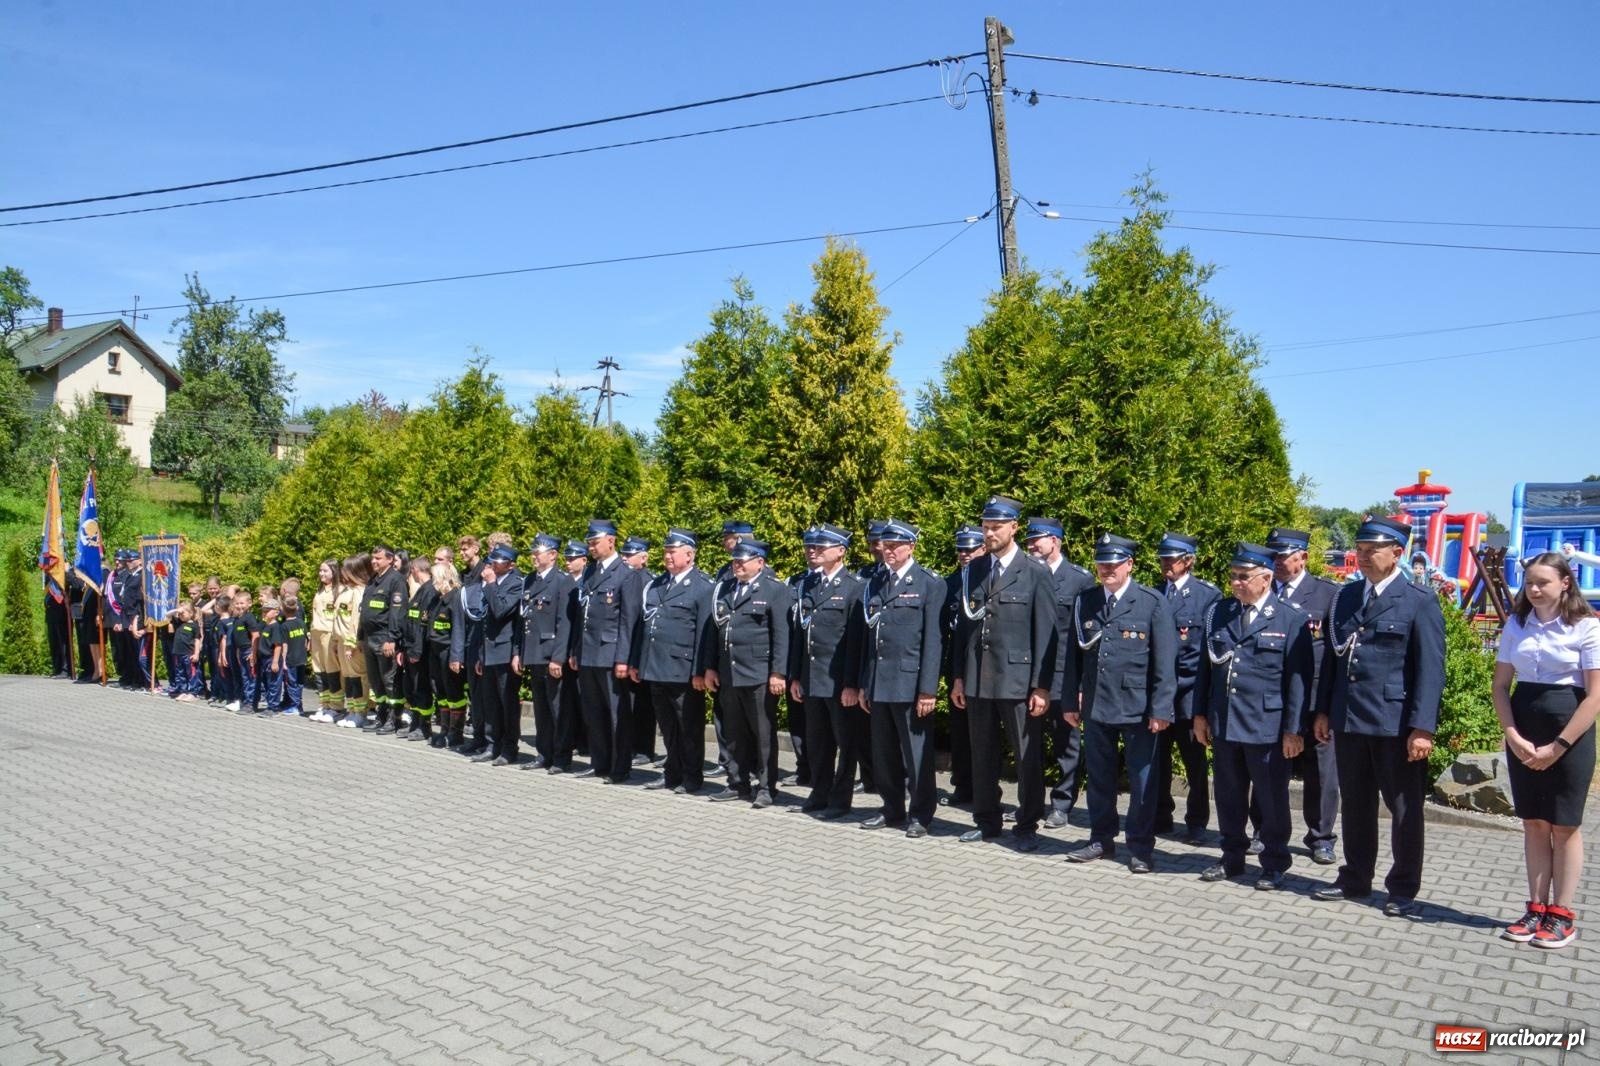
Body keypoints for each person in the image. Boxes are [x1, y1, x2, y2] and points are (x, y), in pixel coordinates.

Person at [1312, 515, 1445, 917]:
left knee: (1404, 809)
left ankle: (1402, 888)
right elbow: (1333, 661)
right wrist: (1322, 710)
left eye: (1372, 551)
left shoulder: (1419, 600)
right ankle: (1355, 878)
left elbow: (1430, 670)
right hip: (1350, 719)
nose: (1363, 557)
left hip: (1395, 723)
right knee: (1355, 804)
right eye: (1360, 550)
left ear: (1398, 553)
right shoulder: (1346, 597)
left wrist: (1422, 727)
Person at [1493, 552, 1599, 949]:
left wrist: (1559, 745)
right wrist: (1512, 734)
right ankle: (1536, 908)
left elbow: (1594, 696)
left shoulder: (1586, 627)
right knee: (1534, 821)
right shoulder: (1516, 624)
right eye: (1529, 583)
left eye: (1543, 583)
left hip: (1569, 733)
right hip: (1524, 730)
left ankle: (1562, 915)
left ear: (1565, 583)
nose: (1534, 590)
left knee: (1564, 824)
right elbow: (1501, 685)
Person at [1193, 544, 1314, 890]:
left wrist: (1294, 730)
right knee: (1229, 795)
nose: (1235, 583)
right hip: (1226, 721)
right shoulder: (1219, 613)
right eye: (1232, 576)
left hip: (1267, 727)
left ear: (1266, 578)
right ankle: (1231, 857)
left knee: (1272, 798)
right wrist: (1200, 715)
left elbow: (1298, 681)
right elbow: (1207, 669)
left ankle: (1275, 862)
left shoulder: (1290, 618)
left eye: (1243, 577)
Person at [1064, 533, 1177, 873]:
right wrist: (1070, 700)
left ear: (1129, 565)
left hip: (1138, 707)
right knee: (1099, 776)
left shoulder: (1151, 602)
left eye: (1113, 564)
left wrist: (1161, 708)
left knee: (1143, 779)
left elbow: (1164, 660)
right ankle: (1101, 838)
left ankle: (1141, 846)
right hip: (1097, 703)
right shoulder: (1086, 601)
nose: (1106, 570)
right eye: (1101, 564)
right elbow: (1072, 658)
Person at [951, 496, 1058, 852]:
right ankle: (987, 820)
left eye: (997, 526)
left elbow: (1046, 633)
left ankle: (1027, 823)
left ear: (1014, 527)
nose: (990, 532)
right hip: (979, 677)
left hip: (1017, 679)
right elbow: (965, 632)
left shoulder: (1035, 572)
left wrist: (1041, 687)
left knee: (1026, 755)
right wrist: (958, 677)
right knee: (981, 752)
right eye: (985, 526)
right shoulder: (974, 570)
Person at [858, 520, 944, 836]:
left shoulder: (928, 583)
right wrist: (867, 684)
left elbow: (933, 641)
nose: (889, 551)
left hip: (910, 684)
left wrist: (927, 690)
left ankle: (921, 814)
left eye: (895, 546)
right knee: (883, 753)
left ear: (911, 547)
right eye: (886, 545)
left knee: (916, 755)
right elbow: (871, 641)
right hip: (880, 682)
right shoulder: (877, 581)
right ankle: (891, 807)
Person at [1260, 526, 1341, 865]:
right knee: (1266, 768)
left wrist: (1327, 706)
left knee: (1322, 773)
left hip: (1313, 698)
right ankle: (1262, 830)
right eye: (1273, 556)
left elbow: (1336, 655)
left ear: (1303, 557)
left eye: (1283, 556)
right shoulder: (1262, 590)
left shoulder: (1328, 595)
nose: (1276, 562)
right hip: (1270, 699)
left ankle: (1320, 837)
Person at [706, 539, 792, 808]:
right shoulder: (726, 588)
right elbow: (715, 631)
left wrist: (778, 672)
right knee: (733, 732)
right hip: (729, 672)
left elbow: (781, 636)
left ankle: (766, 787)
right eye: (735, 560)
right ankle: (737, 782)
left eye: (743, 560)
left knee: (763, 735)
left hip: (758, 674)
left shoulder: (775, 590)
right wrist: (710, 667)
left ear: (760, 562)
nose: (738, 564)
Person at [789, 524, 866, 818]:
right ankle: (819, 792)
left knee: (846, 745)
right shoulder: (808, 585)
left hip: (838, 682)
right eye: (811, 547)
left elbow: (854, 642)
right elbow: (800, 634)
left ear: (841, 551)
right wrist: (796, 675)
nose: (813, 551)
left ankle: (839, 800)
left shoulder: (854, 588)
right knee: (817, 743)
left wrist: (851, 684)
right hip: (811, 678)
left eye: (821, 548)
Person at [631, 528, 715, 794]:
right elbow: (644, 627)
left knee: (688, 727)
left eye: (672, 551)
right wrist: (637, 662)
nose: (667, 556)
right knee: (667, 726)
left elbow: (704, 633)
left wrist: (700, 671)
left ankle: (692, 776)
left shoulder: (703, 587)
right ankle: (672, 773)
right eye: (666, 551)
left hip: (683, 669)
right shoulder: (656, 584)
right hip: (655, 666)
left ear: (689, 554)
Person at [1022, 517, 1094, 829]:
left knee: (1066, 745)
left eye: (1038, 539)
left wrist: (1079, 683)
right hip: (1028, 677)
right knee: (1029, 746)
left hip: (1064, 676)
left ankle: (1062, 805)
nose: (1031, 545)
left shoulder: (1079, 580)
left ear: (1056, 541)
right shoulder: (1023, 575)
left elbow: (1084, 637)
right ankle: (1031, 804)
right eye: (1029, 540)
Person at [1153, 532, 1223, 844]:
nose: (1166, 564)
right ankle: (1160, 815)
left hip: (1188, 693)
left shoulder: (1207, 596)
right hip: (1157, 693)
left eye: (1173, 559)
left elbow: (1206, 652)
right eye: (1163, 558)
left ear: (1189, 561)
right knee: (1157, 760)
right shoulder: (1154, 592)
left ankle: (1197, 822)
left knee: (1194, 763)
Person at [573, 519, 644, 782]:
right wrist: (576, 650)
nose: (591, 546)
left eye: (595, 541)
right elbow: (583, 616)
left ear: (611, 540)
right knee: (594, 712)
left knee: (617, 714)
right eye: (589, 542)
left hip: (612, 653)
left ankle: (620, 766)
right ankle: (599, 761)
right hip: (589, 652)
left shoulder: (626, 574)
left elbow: (629, 620)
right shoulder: (591, 572)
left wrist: (623, 658)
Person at [519, 533, 576, 772]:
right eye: (532, 552)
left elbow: (565, 623)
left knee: (558, 709)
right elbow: (526, 619)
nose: (533, 556)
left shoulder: (563, 581)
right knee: (541, 709)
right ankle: (544, 754)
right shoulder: (531, 579)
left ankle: (561, 758)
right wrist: (521, 653)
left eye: (537, 552)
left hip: (551, 654)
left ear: (552, 555)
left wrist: (558, 657)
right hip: (534, 653)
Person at [940, 526, 986, 808]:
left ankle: (985, 789)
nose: (965, 554)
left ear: (983, 549)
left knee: (982, 734)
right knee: (960, 732)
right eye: (962, 549)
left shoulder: (988, 577)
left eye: (971, 549)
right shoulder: (951, 582)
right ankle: (962, 785)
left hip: (985, 666)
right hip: (957, 665)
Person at [473, 544, 525, 766]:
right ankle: (491, 744)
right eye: (492, 560)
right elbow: (484, 621)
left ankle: (509, 748)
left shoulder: (516, 584)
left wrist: (491, 584)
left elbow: (500, 610)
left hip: (505, 652)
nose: (492, 564)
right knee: (490, 703)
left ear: (511, 564)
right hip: (489, 652)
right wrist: (480, 655)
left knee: (507, 704)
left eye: (499, 561)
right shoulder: (489, 583)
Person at [358, 544, 409, 734]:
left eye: (378, 558)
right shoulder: (372, 581)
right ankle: (381, 715)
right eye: (373, 558)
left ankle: (394, 719)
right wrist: (360, 637)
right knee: (375, 680)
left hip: (384, 638)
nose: (374, 561)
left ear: (390, 559)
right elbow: (364, 611)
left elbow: (398, 612)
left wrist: (392, 638)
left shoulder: (396, 580)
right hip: (369, 638)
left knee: (390, 680)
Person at [620, 536, 660, 767]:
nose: (625, 559)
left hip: (641, 649)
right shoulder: (626, 578)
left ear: (643, 557)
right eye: (623, 554)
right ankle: (632, 746)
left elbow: (640, 620)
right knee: (629, 703)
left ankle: (644, 749)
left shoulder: (648, 581)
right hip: (627, 648)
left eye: (629, 555)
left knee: (644, 705)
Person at [427, 563, 468, 750]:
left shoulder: (456, 597)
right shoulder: (437, 599)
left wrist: (456, 657)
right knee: (441, 691)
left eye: (435, 577)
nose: (432, 581)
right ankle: (444, 729)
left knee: (454, 693)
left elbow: (459, 629)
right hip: (435, 651)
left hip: (448, 651)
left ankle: (456, 732)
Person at [397, 558, 438, 741]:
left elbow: (423, 625)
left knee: (421, 688)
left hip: (419, 651)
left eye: (411, 571)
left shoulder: (429, 591)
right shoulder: (420, 590)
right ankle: (415, 722)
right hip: (410, 647)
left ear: (415, 570)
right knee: (411, 688)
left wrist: (416, 651)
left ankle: (424, 726)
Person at [334, 555, 371, 727]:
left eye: (346, 569)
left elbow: (355, 620)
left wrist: (351, 644)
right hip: (342, 641)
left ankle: (360, 712)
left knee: (358, 677)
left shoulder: (360, 592)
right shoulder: (348, 590)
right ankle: (352, 710)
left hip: (352, 643)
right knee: (349, 677)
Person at [309, 561, 344, 723]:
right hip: (316, 634)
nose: (321, 574)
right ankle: (325, 704)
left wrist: (337, 639)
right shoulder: (321, 590)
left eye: (325, 571)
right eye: (320, 570)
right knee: (319, 670)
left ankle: (336, 707)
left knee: (332, 670)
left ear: (334, 572)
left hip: (329, 634)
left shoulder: (340, 590)